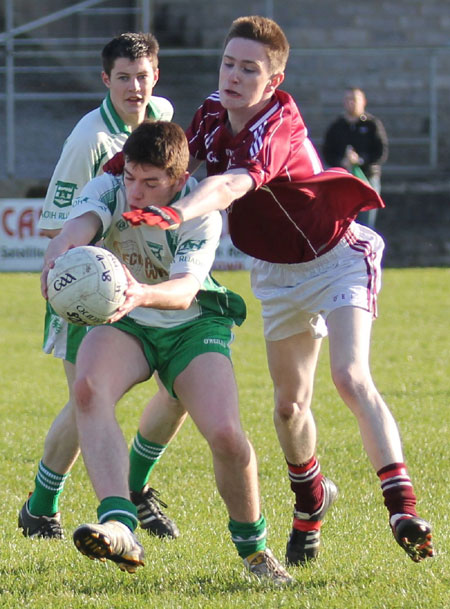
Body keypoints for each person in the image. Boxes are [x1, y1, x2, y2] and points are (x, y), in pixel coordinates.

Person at [122, 16, 434, 566]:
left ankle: (402, 507)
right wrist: (113, 182)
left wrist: (175, 212)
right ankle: (311, 501)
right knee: (289, 408)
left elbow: (231, 183)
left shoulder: (279, 121)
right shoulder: (212, 113)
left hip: (337, 257)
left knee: (350, 375)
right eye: (228, 63)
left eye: (250, 68)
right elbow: (177, 164)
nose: (235, 76)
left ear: (275, 78)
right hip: (276, 272)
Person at [41, 121, 292, 583]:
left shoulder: (200, 212)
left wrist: (138, 293)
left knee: (226, 436)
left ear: (178, 181)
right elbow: (80, 226)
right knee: (88, 389)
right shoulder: (111, 186)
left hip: (190, 325)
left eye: (151, 183)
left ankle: (255, 551)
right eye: (132, 177)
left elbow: (183, 291)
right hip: (128, 320)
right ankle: (120, 522)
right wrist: (60, 251)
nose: (136, 192)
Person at [19, 32, 180, 541]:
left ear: (156, 76)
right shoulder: (88, 139)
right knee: (89, 400)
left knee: (178, 388)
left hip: (146, 282)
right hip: (89, 286)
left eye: (142, 76)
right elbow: (56, 224)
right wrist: (91, 268)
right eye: (123, 78)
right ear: (105, 80)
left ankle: (137, 487)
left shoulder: (164, 114)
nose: (135, 87)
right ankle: (42, 507)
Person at [322, 87, 389, 228]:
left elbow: (381, 152)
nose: (351, 103)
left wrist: (361, 160)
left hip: (367, 180)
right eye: (348, 100)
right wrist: (342, 162)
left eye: (354, 99)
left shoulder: (371, 125)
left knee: (366, 226)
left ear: (363, 102)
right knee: (343, 225)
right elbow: (327, 152)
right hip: (343, 182)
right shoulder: (337, 126)